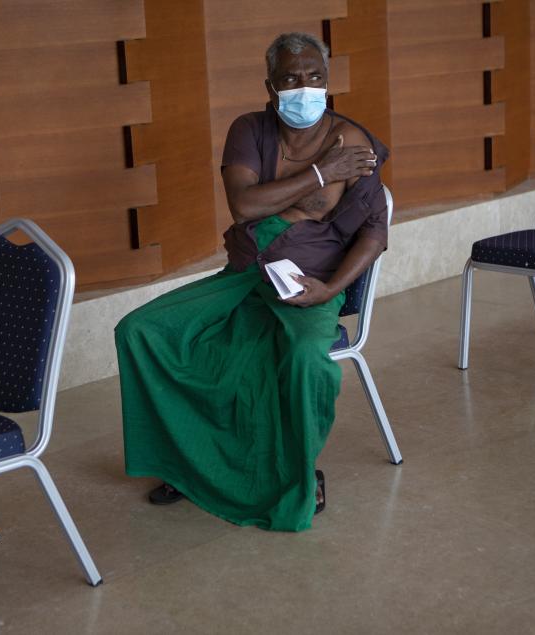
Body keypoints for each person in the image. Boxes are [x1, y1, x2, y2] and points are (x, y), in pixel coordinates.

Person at [115, 32, 389, 532]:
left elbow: (374, 234)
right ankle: (186, 462)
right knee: (140, 331)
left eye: (314, 78)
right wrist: (321, 175)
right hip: (244, 276)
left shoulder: (353, 142)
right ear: (270, 87)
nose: (303, 88)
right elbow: (244, 205)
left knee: (306, 360)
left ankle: (300, 471)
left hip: (312, 283)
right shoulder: (250, 130)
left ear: (327, 83)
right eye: (290, 79)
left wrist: (330, 292)